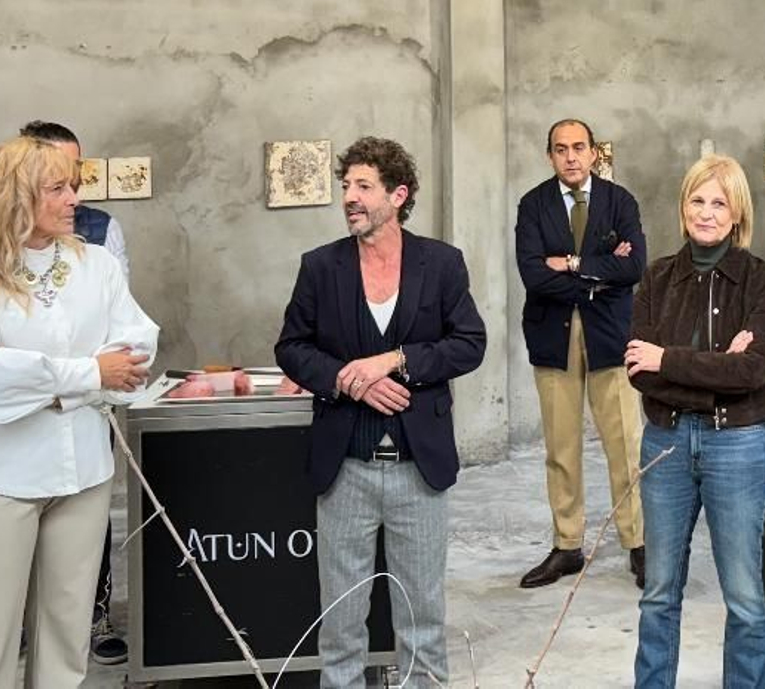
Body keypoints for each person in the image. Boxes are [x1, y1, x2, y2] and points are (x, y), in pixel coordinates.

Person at [0, 136, 157, 688]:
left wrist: (51, 385)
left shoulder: (98, 265)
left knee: (65, 639)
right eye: (57, 188)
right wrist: (89, 376)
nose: (73, 200)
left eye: (74, 186)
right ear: (15, 196)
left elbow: (136, 349)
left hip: (84, 474)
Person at [275, 137, 487, 689]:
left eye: (363, 186)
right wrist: (352, 382)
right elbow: (292, 349)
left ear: (398, 195)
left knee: (423, 620)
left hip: (420, 467)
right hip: (345, 466)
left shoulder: (441, 263)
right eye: (346, 186)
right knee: (341, 622)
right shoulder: (320, 267)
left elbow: (469, 344)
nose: (350, 196)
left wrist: (394, 361)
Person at [625, 154, 765, 689]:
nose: (707, 213)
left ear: (738, 214)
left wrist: (667, 358)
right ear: (683, 206)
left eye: (720, 203)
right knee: (658, 592)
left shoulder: (760, 280)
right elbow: (639, 373)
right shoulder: (656, 277)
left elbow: (751, 372)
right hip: (666, 443)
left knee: (744, 596)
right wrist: (718, 366)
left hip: (736, 444)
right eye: (698, 200)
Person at [515, 118, 648, 589]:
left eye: (578, 147)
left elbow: (634, 267)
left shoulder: (620, 201)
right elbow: (534, 275)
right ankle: (567, 545)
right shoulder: (533, 205)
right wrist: (599, 274)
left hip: (610, 335)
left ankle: (638, 543)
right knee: (561, 446)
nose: (570, 157)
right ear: (549, 155)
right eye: (560, 149)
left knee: (626, 444)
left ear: (594, 153)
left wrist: (571, 264)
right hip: (553, 337)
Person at [19, 119, 130, 666]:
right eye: (57, 176)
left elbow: (120, 322)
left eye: (75, 173)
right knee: (18, 516)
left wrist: (91, 375)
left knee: (87, 512)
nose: (72, 189)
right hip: (23, 413)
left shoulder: (102, 230)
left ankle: (92, 613)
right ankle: (23, 616)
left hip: (88, 401)